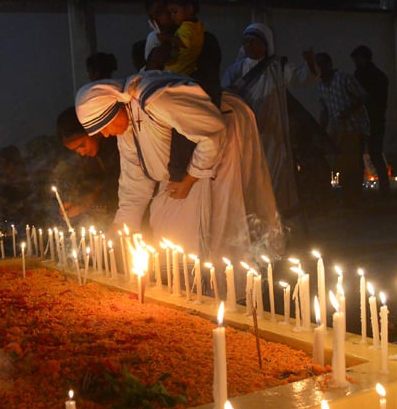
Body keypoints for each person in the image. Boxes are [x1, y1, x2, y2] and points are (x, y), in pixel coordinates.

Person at [75, 71, 224, 255]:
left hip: (216, 156)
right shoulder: (126, 127)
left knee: (204, 238)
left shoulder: (155, 99)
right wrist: (121, 226)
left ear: (116, 110)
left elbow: (212, 132)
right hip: (182, 174)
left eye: (104, 127)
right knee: (163, 227)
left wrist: (190, 179)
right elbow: (134, 181)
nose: (105, 135)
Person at [221, 23, 317, 230]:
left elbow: (304, 78)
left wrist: (310, 63)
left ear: (265, 45)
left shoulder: (278, 68)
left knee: (274, 176)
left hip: (272, 135)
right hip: (245, 135)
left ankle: (276, 224)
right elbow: (225, 96)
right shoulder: (236, 70)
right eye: (246, 42)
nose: (249, 45)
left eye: (254, 41)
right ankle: (251, 225)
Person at [316, 52, 370, 203]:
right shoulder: (320, 85)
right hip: (337, 129)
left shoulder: (343, 78)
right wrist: (322, 131)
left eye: (320, 66)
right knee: (341, 162)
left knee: (353, 163)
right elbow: (324, 110)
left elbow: (363, 96)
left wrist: (349, 111)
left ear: (327, 65)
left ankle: (355, 195)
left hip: (354, 127)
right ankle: (348, 195)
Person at [55, 106, 120, 222]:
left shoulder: (118, 144)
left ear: (92, 129)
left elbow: (115, 183)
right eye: (75, 150)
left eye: (81, 145)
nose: (81, 152)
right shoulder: (91, 157)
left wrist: (85, 204)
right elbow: (93, 182)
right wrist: (78, 202)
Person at [351, 45, 390, 194]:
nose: (355, 63)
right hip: (375, 119)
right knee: (374, 153)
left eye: (357, 60)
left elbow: (360, 97)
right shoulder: (379, 76)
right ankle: (383, 188)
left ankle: (359, 188)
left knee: (364, 153)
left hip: (367, 120)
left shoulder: (364, 76)